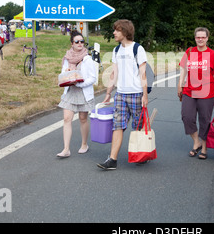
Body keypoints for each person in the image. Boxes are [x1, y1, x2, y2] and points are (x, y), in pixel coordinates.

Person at [97, 19, 148, 170]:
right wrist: (108, 93)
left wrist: (145, 95)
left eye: (117, 30)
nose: (114, 33)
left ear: (125, 32)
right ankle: (112, 159)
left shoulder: (138, 49)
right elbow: (114, 73)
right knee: (117, 126)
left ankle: (141, 154)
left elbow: (143, 74)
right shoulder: (116, 50)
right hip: (120, 95)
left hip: (136, 94)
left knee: (138, 127)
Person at [178, 27, 214, 160]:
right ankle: (196, 142)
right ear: (195, 38)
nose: (200, 39)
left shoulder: (212, 54)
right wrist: (179, 85)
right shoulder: (190, 51)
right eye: (198, 37)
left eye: (203, 37)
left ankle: (204, 147)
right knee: (187, 117)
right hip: (189, 91)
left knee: (205, 119)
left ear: (207, 38)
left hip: (208, 93)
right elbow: (183, 69)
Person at [57, 31, 97, 158]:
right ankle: (66, 149)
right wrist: (68, 73)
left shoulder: (87, 59)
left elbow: (93, 78)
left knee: (83, 119)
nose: (80, 44)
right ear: (72, 44)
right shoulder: (67, 58)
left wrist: (80, 83)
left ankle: (84, 144)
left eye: (82, 41)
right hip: (70, 91)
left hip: (83, 91)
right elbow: (63, 73)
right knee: (67, 119)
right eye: (77, 42)